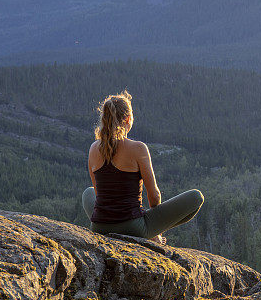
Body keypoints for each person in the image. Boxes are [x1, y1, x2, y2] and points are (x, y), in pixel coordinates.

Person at [81, 90, 203, 245]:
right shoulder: (138, 148)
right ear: (128, 119)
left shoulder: (93, 148)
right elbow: (154, 198)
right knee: (196, 197)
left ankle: (145, 230)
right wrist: (150, 222)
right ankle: (151, 234)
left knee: (88, 193)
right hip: (133, 227)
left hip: (99, 226)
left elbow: (99, 196)